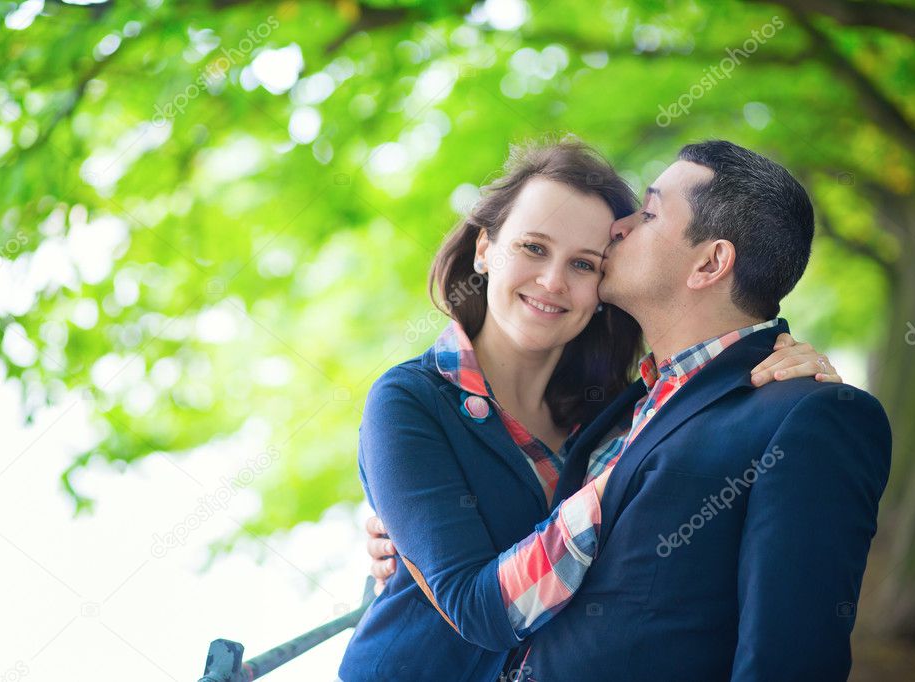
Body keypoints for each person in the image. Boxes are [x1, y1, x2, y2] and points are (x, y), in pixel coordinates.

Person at [340, 137, 843, 682]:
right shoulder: (410, 399)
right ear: (484, 249)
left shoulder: (611, 411)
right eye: (533, 248)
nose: (553, 281)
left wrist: (779, 367)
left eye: (584, 263)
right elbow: (476, 604)